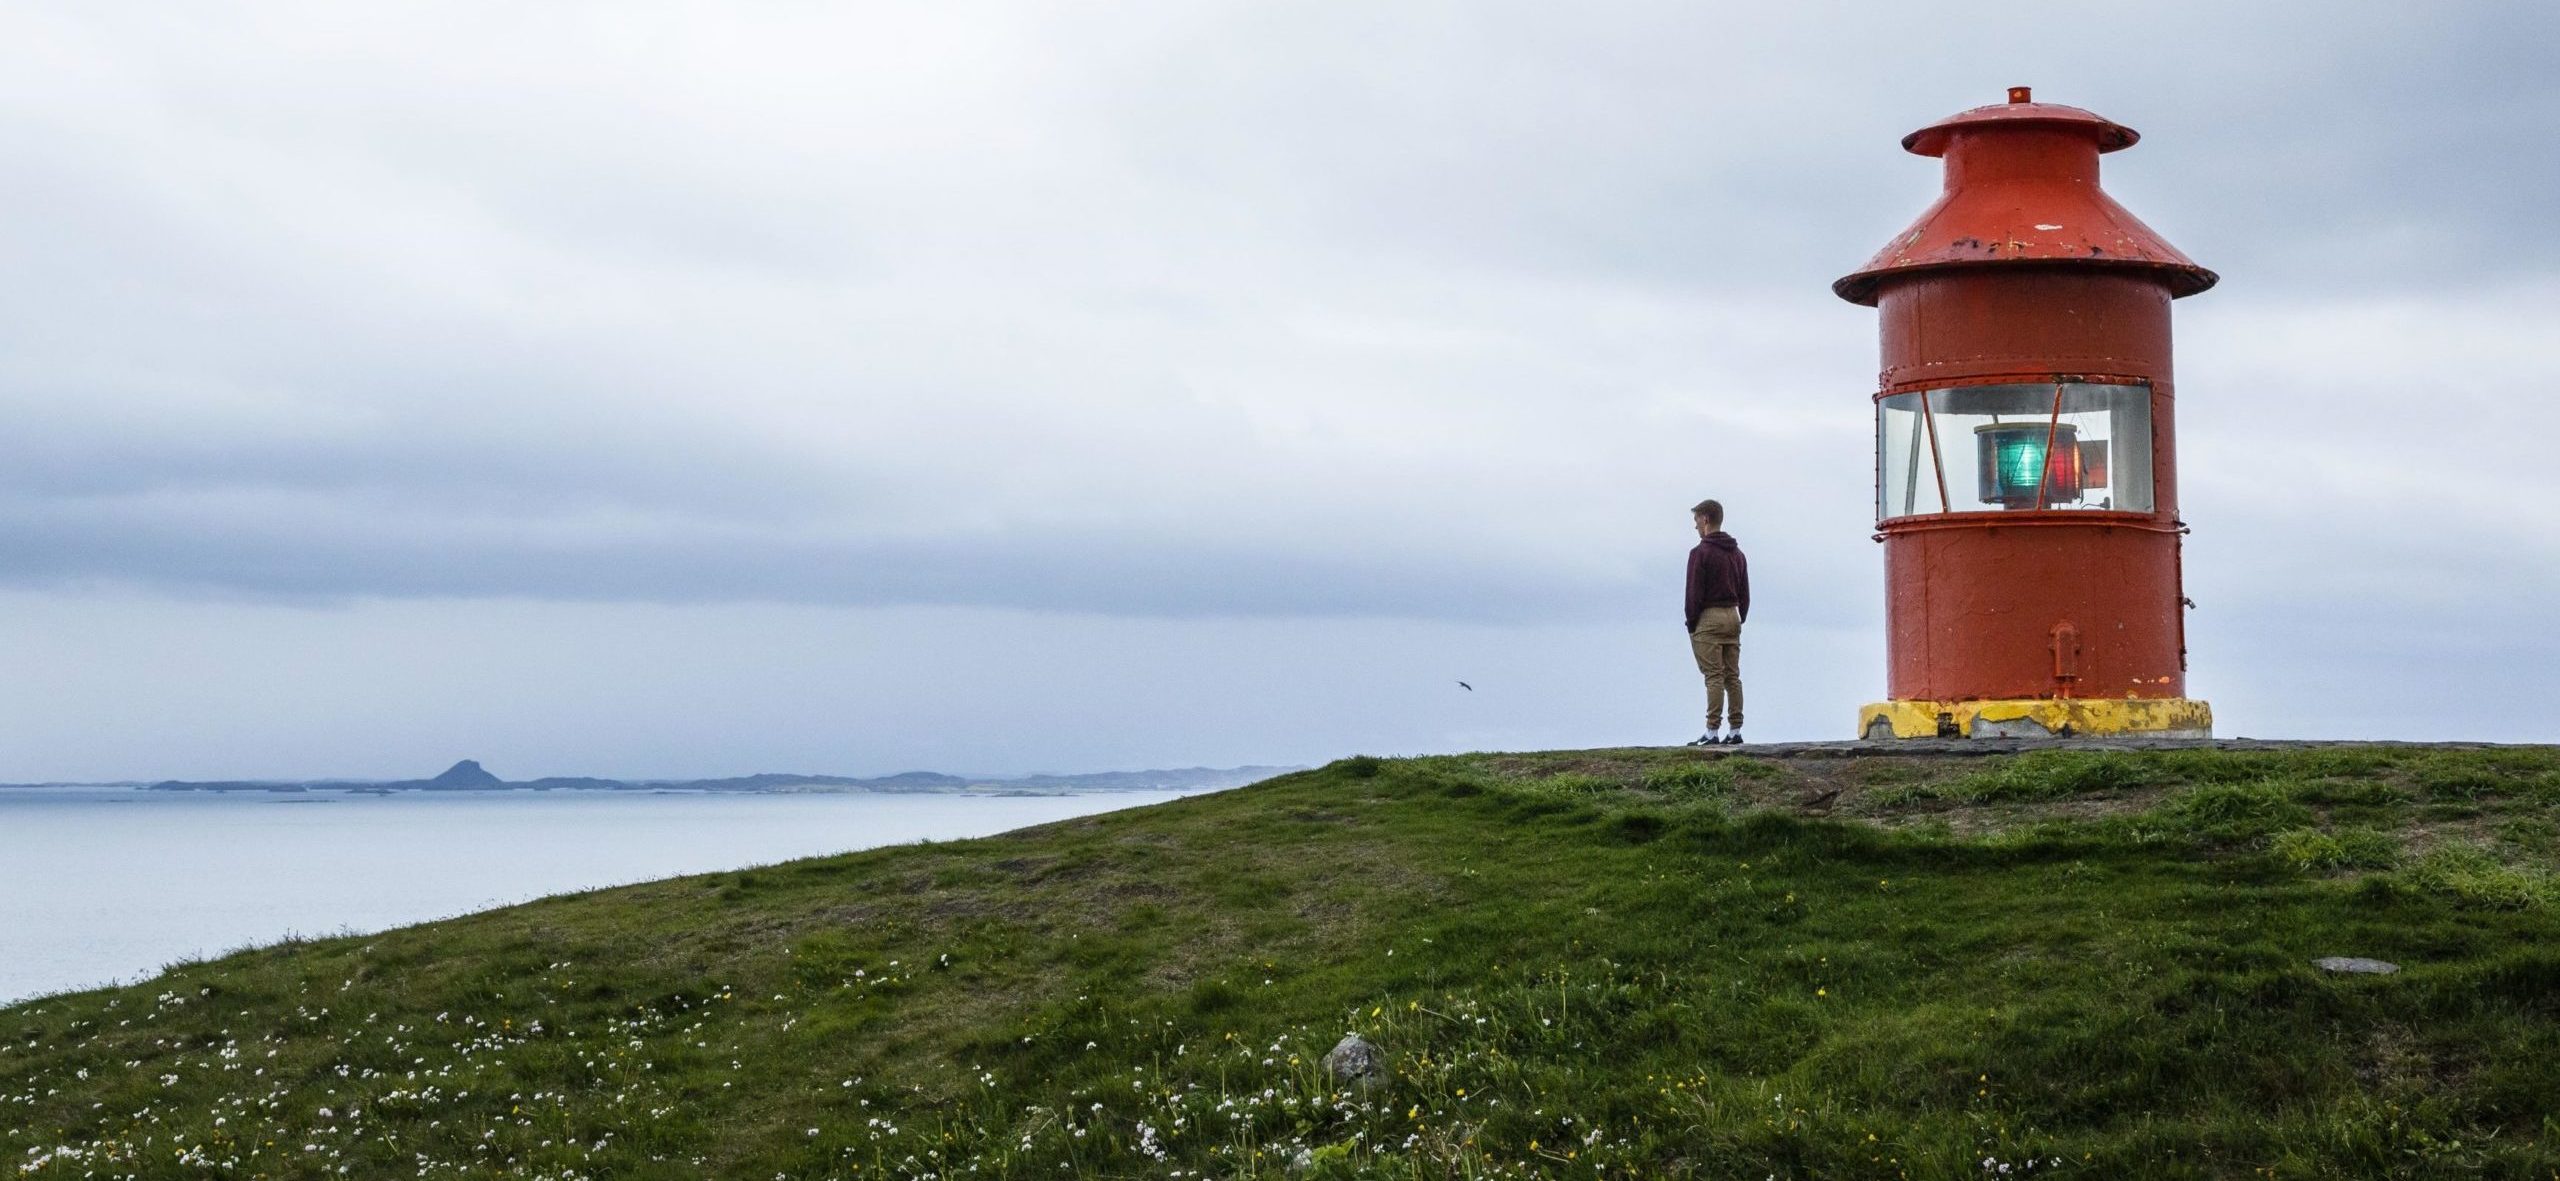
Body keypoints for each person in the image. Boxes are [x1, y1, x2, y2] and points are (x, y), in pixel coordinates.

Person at [1683, 498, 1748, 746]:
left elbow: (1693, 593)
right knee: (1733, 676)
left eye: (1697, 520)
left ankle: (1712, 731)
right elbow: (1745, 591)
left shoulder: (1700, 553)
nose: (1696, 526)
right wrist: (1740, 615)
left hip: (1709, 616)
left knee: (1713, 676)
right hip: (1733, 615)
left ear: (1706, 520)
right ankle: (1735, 729)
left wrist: (1692, 623)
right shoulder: (1738, 553)